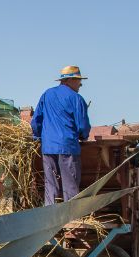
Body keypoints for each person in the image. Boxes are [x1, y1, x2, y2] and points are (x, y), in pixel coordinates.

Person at [31, 65, 91, 205]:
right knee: (70, 184)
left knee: (50, 184)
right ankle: (71, 216)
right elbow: (83, 125)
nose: (80, 84)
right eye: (78, 81)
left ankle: (49, 216)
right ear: (69, 80)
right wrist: (83, 136)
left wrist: (39, 136)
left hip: (48, 147)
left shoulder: (47, 94)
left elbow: (36, 121)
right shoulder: (76, 99)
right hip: (67, 147)